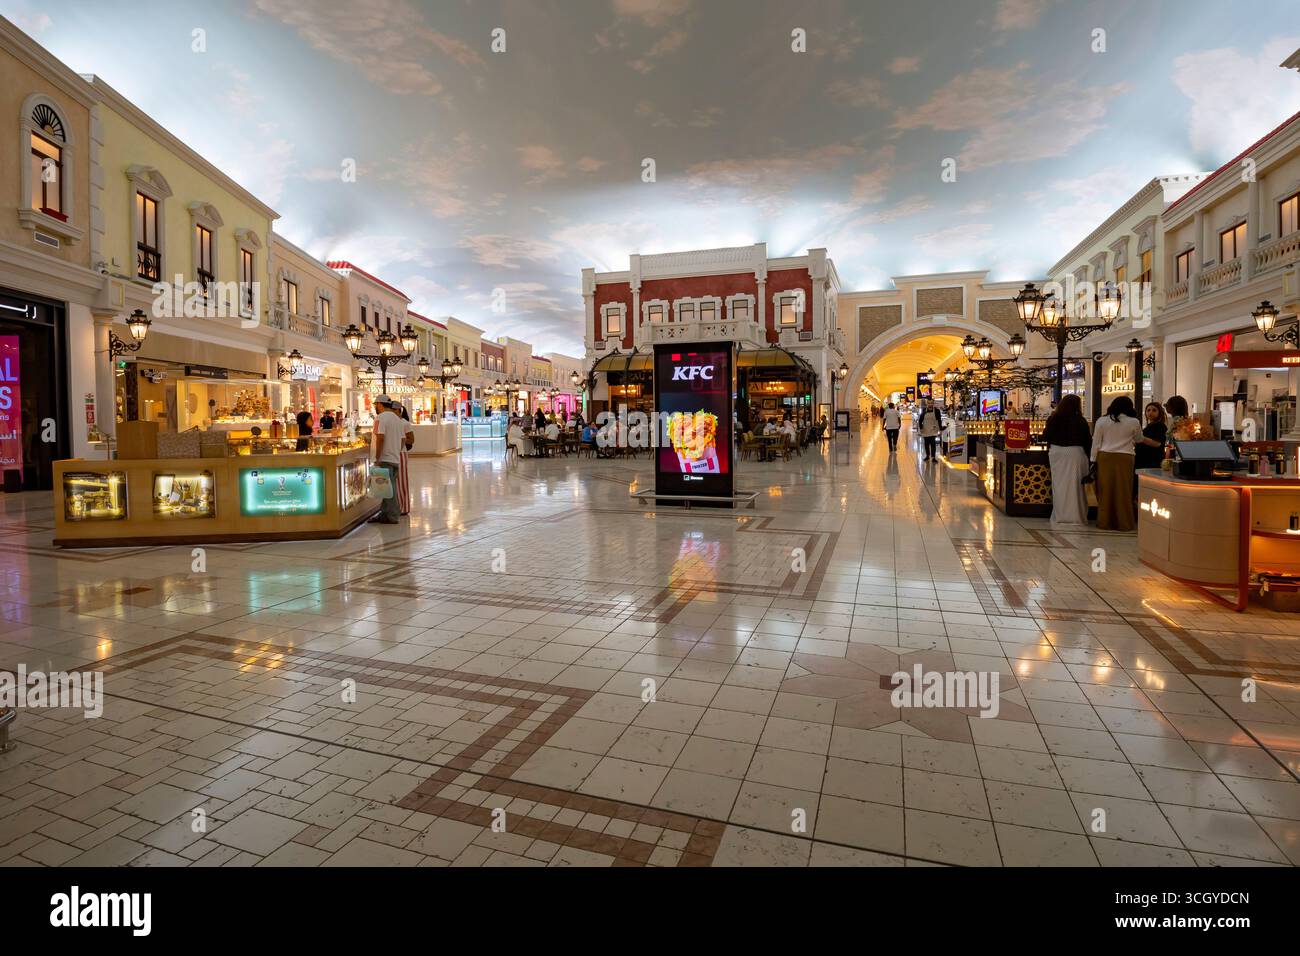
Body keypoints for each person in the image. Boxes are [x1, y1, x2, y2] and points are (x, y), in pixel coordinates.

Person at [1091, 395, 1143, 531]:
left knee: (1105, 490)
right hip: (1125, 457)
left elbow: (1096, 443)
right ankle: (1124, 523)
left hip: (1105, 457)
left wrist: (1093, 460)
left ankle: (1105, 522)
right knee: (1124, 490)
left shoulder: (1101, 421)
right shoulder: (1134, 422)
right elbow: (1139, 439)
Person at [1043, 394, 1092, 529]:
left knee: (1059, 486)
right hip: (1076, 453)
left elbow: (1045, 436)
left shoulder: (1053, 419)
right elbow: (1087, 441)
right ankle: (1077, 515)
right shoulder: (1080, 421)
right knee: (1076, 487)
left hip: (1057, 453)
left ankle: (1061, 515)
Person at [370, 396, 404, 524]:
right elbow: (402, 439)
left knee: (389, 489)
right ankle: (384, 514)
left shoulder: (380, 418)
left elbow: (380, 437)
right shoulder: (397, 419)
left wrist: (378, 458)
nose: (375, 407)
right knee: (386, 488)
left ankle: (392, 515)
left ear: (379, 404)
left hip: (384, 458)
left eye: (375, 405)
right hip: (394, 458)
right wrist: (396, 451)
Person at [1134, 401, 1168, 472]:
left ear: (1159, 412)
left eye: (1154, 410)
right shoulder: (1150, 426)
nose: (1150, 412)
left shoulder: (1160, 426)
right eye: (1148, 410)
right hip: (1144, 460)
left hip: (1151, 461)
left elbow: (1157, 443)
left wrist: (1140, 438)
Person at [397, 404, 414, 516]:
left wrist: (400, 440)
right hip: (392, 454)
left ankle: (404, 507)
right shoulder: (391, 422)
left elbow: (411, 440)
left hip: (401, 453)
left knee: (402, 481)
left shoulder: (404, 423)